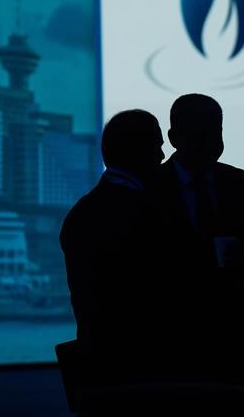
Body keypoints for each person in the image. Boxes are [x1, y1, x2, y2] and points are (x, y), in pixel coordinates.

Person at [153, 93, 244, 393]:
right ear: (174, 137)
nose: (211, 140)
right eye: (201, 132)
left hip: (232, 347)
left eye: (216, 130)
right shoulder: (149, 187)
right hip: (170, 347)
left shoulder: (241, 185)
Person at [59, 109, 168, 386]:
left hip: (101, 367)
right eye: (156, 146)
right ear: (136, 151)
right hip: (144, 366)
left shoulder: (82, 212)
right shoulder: (148, 212)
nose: (162, 156)